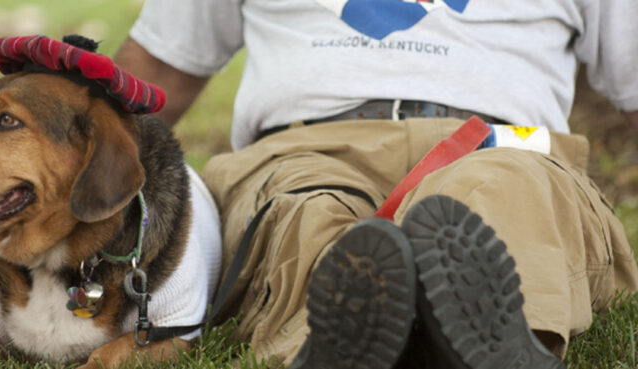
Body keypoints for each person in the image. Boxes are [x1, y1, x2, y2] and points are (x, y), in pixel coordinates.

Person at [114, 1, 638, 368]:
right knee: (303, 210)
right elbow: (162, 64)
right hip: (303, 148)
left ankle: (501, 341)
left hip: (500, 141)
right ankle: (339, 337)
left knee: (508, 189)